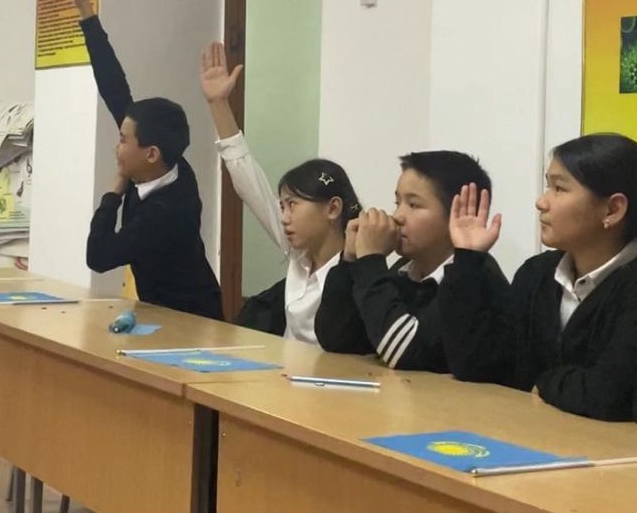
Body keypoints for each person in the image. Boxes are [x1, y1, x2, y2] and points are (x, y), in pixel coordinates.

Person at [64, 0, 222, 320]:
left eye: (123, 140)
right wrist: (86, 13)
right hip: (157, 310)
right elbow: (114, 86)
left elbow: (99, 256)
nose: (117, 147)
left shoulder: (167, 211)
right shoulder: (168, 160)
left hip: (193, 318)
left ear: (151, 153)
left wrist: (114, 191)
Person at [444, 133, 637, 421]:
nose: (541, 202)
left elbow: (609, 395)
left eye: (559, 188)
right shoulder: (537, 273)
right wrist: (468, 260)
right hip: (537, 436)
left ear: (613, 209)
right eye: (548, 185)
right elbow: (477, 364)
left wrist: (545, 382)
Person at [200, 42, 362, 343]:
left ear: (332, 208)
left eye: (293, 205)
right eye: (282, 206)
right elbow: (246, 179)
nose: (284, 217)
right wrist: (218, 104)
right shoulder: (299, 252)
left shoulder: (357, 269)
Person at [316, 152, 509, 378]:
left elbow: (404, 351)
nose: (398, 216)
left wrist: (370, 261)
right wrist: (350, 259)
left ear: (458, 213)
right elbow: (337, 339)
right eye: (397, 203)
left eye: (414, 205)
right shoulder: (405, 269)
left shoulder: (473, 277)